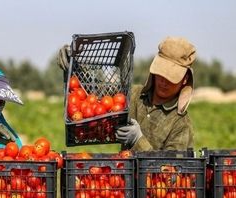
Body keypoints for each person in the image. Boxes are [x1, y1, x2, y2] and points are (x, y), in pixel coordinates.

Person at [58, 36, 196, 151]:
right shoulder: (135, 95)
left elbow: (170, 174)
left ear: (184, 79)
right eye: (161, 75)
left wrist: (138, 141)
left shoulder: (181, 124)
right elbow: (94, 93)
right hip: (123, 180)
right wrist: (74, 66)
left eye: (171, 78)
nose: (164, 82)